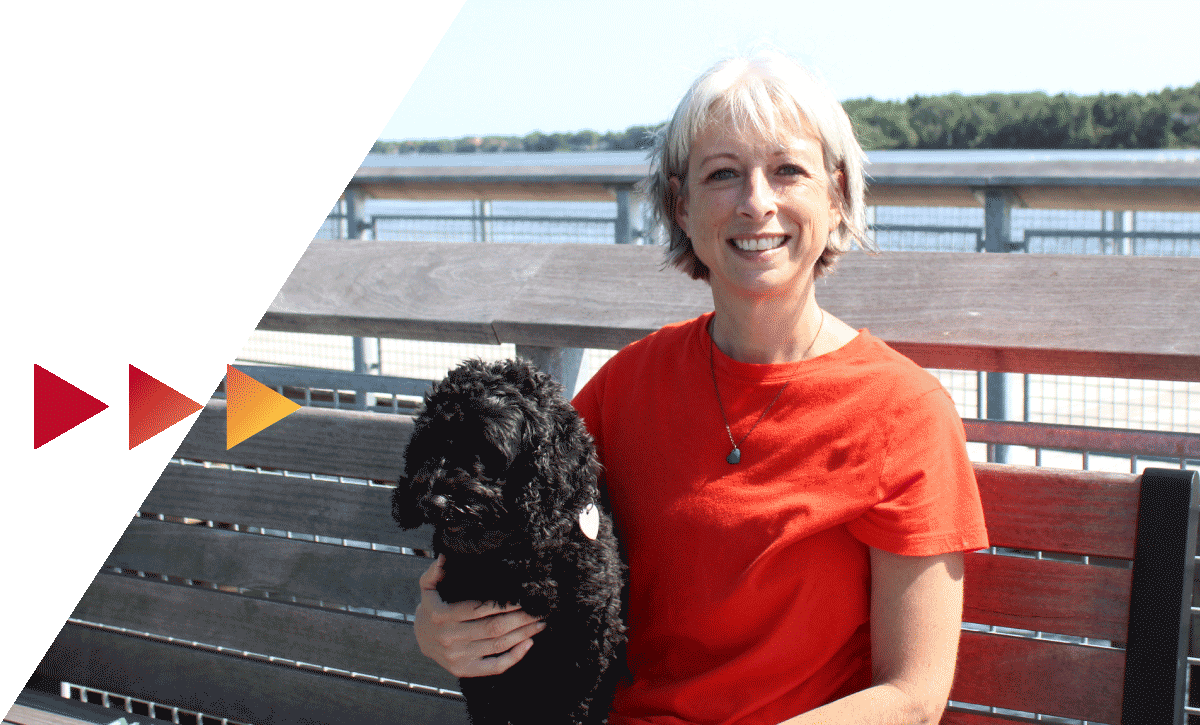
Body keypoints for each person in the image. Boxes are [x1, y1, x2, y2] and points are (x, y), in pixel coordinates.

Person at [414, 50, 990, 725]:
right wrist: (436, 624)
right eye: (723, 174)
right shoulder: (628, 385)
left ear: (835, 196)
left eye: (788, 170)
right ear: (681, 206)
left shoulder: (905, 412)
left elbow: (913, 696)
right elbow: (502, 527)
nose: (756, 202)